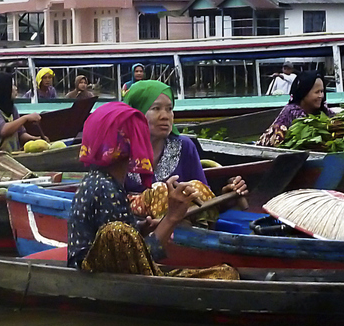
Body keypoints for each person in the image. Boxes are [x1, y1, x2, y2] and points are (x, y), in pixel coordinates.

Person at [67, 101, 238, 280]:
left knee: (225, 273)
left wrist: (139, 229)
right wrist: (172, 217)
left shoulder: (102, 181)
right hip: (106, 280)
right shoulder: (106, 189)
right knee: (226, 276)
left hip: (114, 272)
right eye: (139, 135)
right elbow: (137, 263)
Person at [122, 80, 247, 199]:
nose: (165, 116)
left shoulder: (184, 146)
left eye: (169, 109)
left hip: (182, 218)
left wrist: (227, 195)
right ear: (135, 114)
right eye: (156, 108)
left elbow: (202, 196)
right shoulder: (119, 150)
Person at [257, 70, 334, 147]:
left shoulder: (323, 111)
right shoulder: (292, 112)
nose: (320, 96)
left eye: (322, 91)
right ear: (304, 93)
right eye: (317, 92)